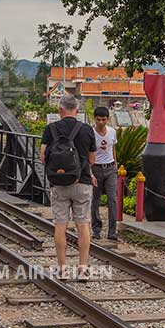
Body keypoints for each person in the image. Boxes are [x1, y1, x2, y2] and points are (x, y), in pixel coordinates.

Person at [40, 94, 97, 281]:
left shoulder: (50, 129)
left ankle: (62, 268)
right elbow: (92, 159)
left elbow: (42, 157)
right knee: (83, 225)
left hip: (58, 183)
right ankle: (82, 268)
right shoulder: (87, 129)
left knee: (60, 225)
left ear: (60, 110)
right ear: (77, 110)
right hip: (82, 182)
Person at [90, 107, 118, 241]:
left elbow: (113, 149)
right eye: (98, 119)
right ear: (94, 119)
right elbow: (87, 153)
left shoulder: (112, 132)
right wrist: (90, 172)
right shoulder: (91, 133)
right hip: (96, 168)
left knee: (112, 199)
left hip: (110, 168)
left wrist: (116, 165)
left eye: (104, 119)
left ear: (107, 119)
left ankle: (112, 231)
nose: (101, 122)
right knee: (95, 200)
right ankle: (96, 229)